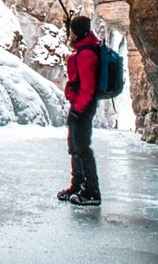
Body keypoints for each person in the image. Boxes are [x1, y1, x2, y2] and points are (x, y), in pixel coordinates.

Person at [57, 15, 102, 206]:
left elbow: (87, 87)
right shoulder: (86, 48)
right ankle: (77, 186)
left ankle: (92, 191)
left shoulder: (85, 55)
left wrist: (78, 108)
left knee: (82, 148)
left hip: (82, 107)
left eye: (71, 31)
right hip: (80, 105)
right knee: (75, 147)